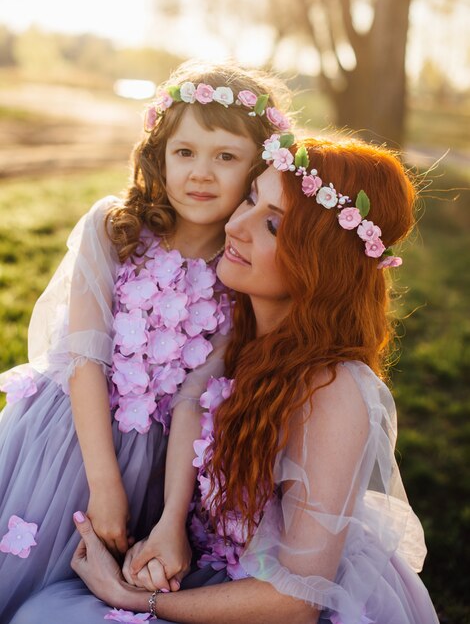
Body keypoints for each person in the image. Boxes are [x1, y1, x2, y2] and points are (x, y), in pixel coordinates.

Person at [10, 135, 440, 623]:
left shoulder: (333, 391)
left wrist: (135, 599)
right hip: (204, 570)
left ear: (323, 263)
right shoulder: (230, 335)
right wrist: (168, 529)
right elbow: (189, 407)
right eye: (252, 198)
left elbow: (296, 603)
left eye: (273, 226)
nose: (235, 225)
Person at [0, 60, 293, 622]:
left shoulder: (241, 270)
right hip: (68, 438)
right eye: (185, 152)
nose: (200, 174)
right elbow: (84, 358)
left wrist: (169, 517)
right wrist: (104, 484)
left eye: (225, 157)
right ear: (158, 155)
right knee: (31, 560)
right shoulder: (114, 228)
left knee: (104, 576)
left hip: (161, 464)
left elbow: (195, 397)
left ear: (257, 169)